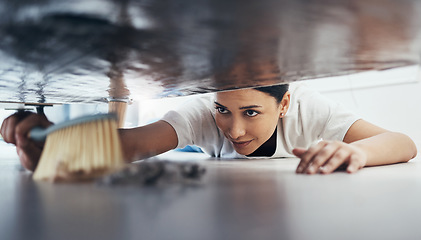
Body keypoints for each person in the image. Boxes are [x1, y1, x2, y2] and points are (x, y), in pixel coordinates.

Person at [0, 83, 417, 174]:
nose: (233, 130)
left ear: (284, 104)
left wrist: (358, 152)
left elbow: (403, 142)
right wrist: (53, 140)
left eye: (251, 112)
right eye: (223, 110)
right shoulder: (201, 111)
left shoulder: (312, 112)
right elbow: (132, 144)